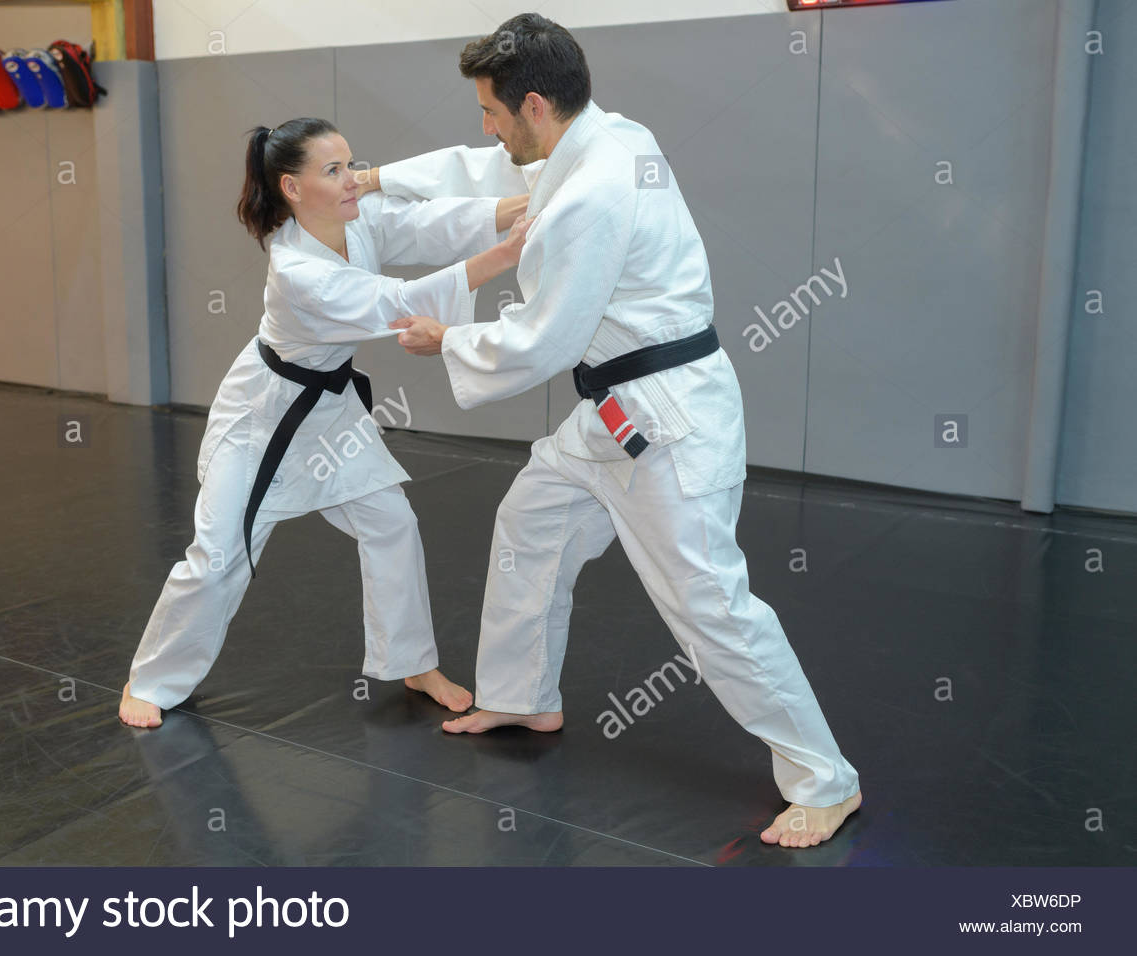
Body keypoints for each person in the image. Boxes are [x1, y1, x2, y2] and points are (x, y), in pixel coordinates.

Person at [359, 14, 862, 849]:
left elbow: (546, 338)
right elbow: (478, 164)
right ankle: (523, 694)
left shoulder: (595, 191)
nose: (485, 128)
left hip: (665, 422)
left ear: (532, 105)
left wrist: (445, 336)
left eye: (491, 110)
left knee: (709, 603)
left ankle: (824, 779)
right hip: (611, 414)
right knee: (532, 521)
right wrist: (374, 179)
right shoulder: (604, 134)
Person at [119, 117, 532, 729]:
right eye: (334, 170)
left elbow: (427, 223)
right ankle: (151, 679)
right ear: (291, 186)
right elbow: (390, 305)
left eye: (351, 163)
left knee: (392, 524)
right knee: (220, 553)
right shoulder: (297, 270)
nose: (353, 179)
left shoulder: (355, 220)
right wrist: (506, 255)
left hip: (330, 408)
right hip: (267, 417)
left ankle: (411, 660)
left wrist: (531, 204)